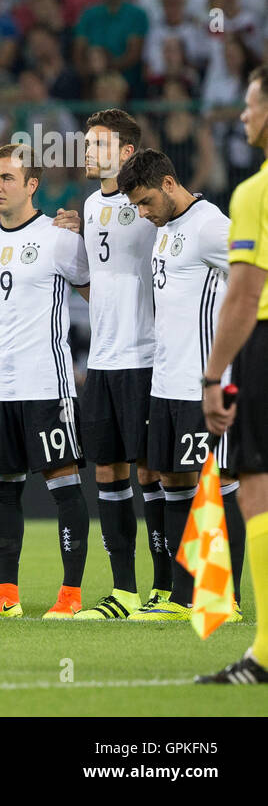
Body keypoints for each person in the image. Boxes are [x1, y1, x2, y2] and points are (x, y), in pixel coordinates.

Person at [0, 144, 92, 618]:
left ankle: (70, 594)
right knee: (1, 485)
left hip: (45, 384)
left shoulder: (59, 238)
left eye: (6, 178)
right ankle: (5, 594)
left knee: (62, 481)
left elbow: (94, 291)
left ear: (31, 185)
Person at [117, 149, 246, 622]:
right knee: (173, 481)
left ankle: (222, 596)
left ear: (169, 184)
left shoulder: (212, 226)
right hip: (165, 382)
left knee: (219, 483)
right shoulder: (165, 230)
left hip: (204, 385)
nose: (145, 214)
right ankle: (180, 596)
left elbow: (255, 280)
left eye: (148, 202)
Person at [66, 110, 170, 619]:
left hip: (146, 355)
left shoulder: (154, 207)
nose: (88, 152)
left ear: (128, 153)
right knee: (107, 468)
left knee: (152, 469)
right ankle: (123, 592)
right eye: (87, 145)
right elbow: (92, 281)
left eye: (99, 145)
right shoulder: (89, 205)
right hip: (103, 361)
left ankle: (167, 589)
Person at [198, 63, 268, 683]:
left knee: (256, 484)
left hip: (263, 346)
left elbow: (244, 295)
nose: (243, 115)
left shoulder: (253, 194)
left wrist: (213, 375)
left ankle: (266, 653)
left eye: (250, 104)